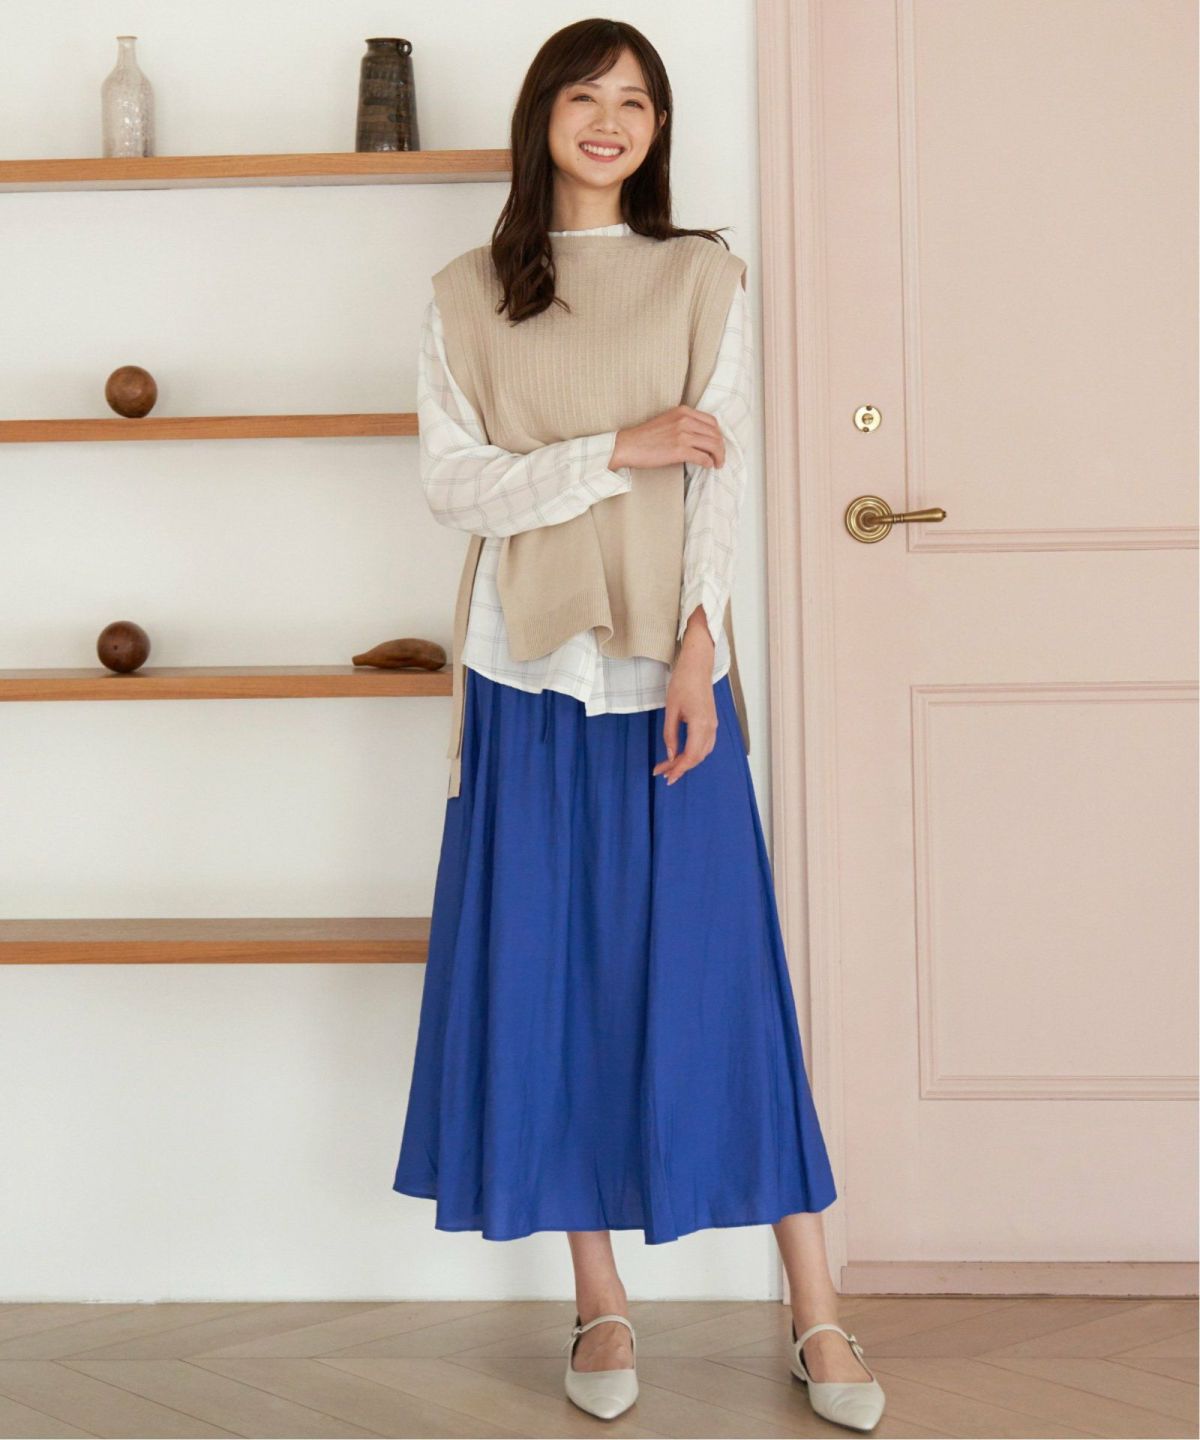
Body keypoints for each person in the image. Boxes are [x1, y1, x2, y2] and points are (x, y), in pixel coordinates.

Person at [392, 18, 886, 1433]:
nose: (611, 121)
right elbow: (456, 487)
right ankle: (599, 1298)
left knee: (725, 979)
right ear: (541, 112)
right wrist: (617, 446)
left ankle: (817, 1305)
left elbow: (719, 477)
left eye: (638, 102)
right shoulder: (467, 292)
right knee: (548, 982)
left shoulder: (702, 275)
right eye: (586, 95)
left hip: (669, 669)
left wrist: (699, 646)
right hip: (523, 673)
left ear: (659, 130)